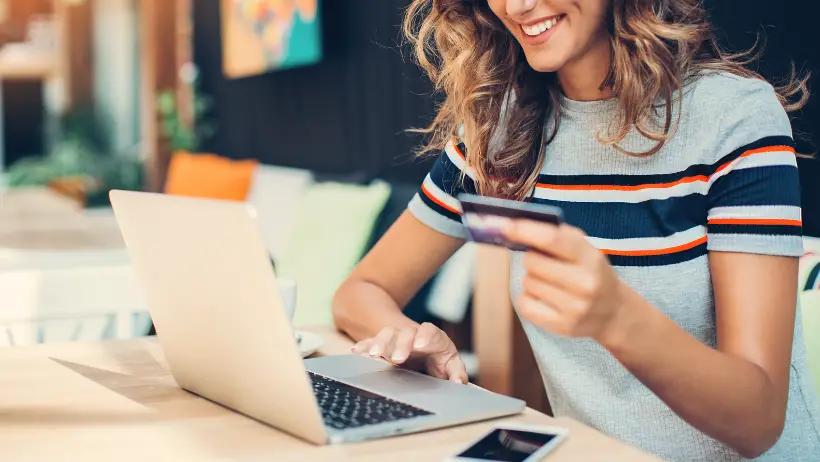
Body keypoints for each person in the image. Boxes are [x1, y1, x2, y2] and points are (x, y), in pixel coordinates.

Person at [331, 0, 820, 460]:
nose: (518, 6)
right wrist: (407, 340)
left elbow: (758, 420)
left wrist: (616, 318)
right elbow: (360, 291)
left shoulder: (732, 117)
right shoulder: (495, 135)